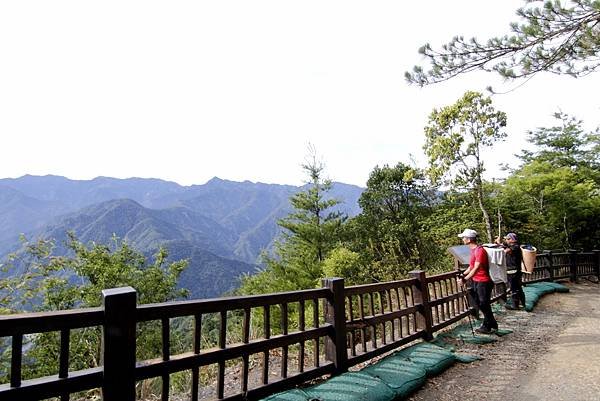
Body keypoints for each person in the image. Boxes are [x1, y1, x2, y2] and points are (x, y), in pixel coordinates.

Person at [457, 228, 498, 334]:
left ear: (469, 239)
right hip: (477, 280)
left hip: (484, 281)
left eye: (464, 238)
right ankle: (492, 322)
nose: (463, 239)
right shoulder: (473, 250)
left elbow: (476, 268)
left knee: (483, 303)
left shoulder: (479, 251)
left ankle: (487, 326)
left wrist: (465, 279)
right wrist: (463, 274)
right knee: (480, 303)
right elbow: (471, 267)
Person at [495, 232, 525, 310]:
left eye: (508, 239)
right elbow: (505, 247)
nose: (506, 240)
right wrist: (499, 244)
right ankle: (522, 302)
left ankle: (515, 305)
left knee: (514, 288)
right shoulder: (513, 246)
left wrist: (500, 245)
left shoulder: (515, 247)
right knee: (517, 287)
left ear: (512, 240)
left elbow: (506, 250)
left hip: (513, 270)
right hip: (514, 270)